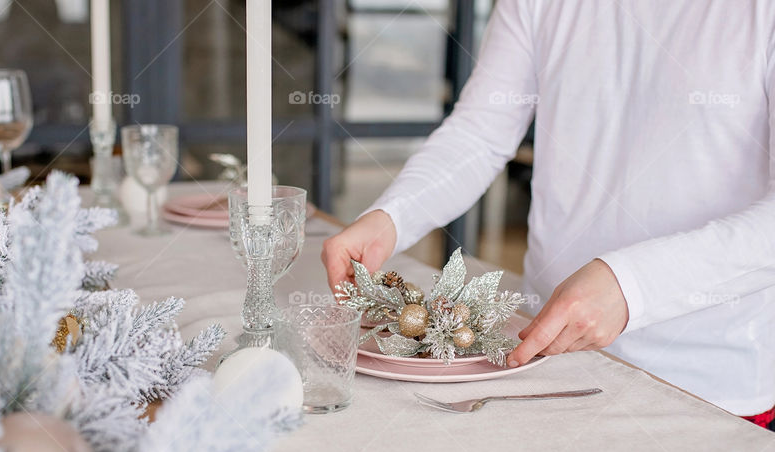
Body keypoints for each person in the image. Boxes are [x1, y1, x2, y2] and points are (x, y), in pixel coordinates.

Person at [322, 0, 775, 425]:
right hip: (542, 363)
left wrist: (632, 285)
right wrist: (392, 216)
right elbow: (480, 134)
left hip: (705, 387)